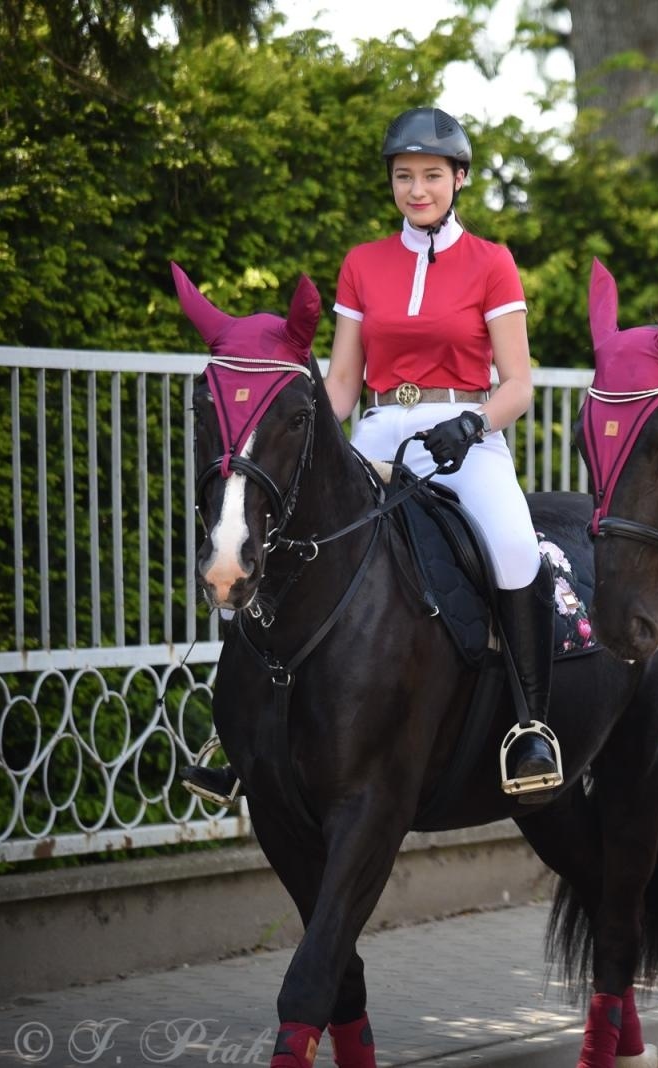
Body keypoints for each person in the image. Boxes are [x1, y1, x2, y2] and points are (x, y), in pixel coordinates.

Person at [181, 106, 562, 804]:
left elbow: (519, 385)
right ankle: (239, 735)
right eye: (404, 176)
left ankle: (532, 727)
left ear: (459, 179)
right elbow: (343, 384)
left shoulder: (491, 263)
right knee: (285, 540)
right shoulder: (362, 264)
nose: (417, 189)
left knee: (513, 548)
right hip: (381, 429)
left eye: (432, 176)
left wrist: (472, 426)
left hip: (463, 435)